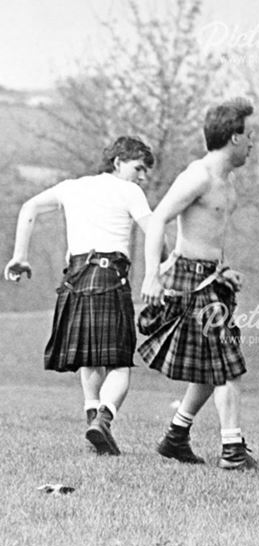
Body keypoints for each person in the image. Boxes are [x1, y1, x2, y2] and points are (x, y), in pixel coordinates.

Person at [4, 136, 156, 455]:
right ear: (117, 162)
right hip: (111, 276)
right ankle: (103, 419)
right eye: (138, 167)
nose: (142, 176)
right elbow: (153, 230)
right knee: (118, 362)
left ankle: (91, 414)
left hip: (75, 277)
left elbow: (29, 207)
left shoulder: (71, 187)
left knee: (89, 357)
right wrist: (160, 267)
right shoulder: (129, 191)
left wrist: (20, 255)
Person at [139, 97, 257, 471]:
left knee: (213, 367)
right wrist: (151, 277)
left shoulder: (227, 179)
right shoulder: (199, 176)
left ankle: (176, 438)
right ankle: (233, 450)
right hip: (189, 280)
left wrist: (222, 270)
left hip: (210, 279)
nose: (253, 143)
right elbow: (157, 220)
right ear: (234, 138)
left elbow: (208, 234)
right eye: (249, 135)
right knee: (227, 366)